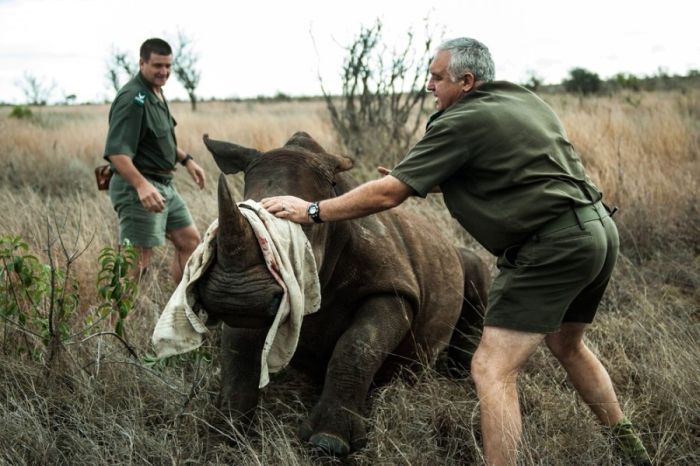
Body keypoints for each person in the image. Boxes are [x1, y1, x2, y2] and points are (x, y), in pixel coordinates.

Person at [261, 38, 651, 466]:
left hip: (551, 246)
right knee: (570, 346)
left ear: (466, 81)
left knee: (491, 368)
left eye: (436, 77)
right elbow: (519, 167)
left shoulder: (457, 121)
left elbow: (389, 194)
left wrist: (313, 210)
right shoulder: (522, 99)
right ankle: (631, 449)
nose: (428, 85)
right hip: (597, 230)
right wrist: (432, 177)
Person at [103, 38, 205, 284]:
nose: (164, 72)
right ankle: (115, 322)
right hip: (139, 186)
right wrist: (141, 186)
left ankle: (178, 309)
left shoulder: (156, 92)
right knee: (136, 264)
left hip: (164, 185)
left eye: (168, 66)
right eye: (158, 65)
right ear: (142, 63)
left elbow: (159, 140)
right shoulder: (132, 99)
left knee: (190, 242)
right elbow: (117, 153)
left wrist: (187, 160)